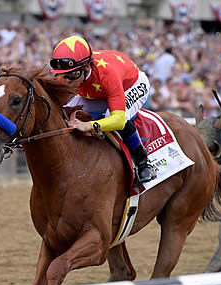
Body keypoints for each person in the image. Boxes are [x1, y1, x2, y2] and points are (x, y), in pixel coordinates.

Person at [49, 35, 156, 183]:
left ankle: (143, 162)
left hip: (131, 85)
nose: (65, 81)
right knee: (63, 108)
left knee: (110, 116)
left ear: (86, 67)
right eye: (61, 75)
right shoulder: (72, 74)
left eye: (72, 75)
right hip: (97, 91)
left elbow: (118, 120)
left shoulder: (107, 75)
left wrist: (89, 125)